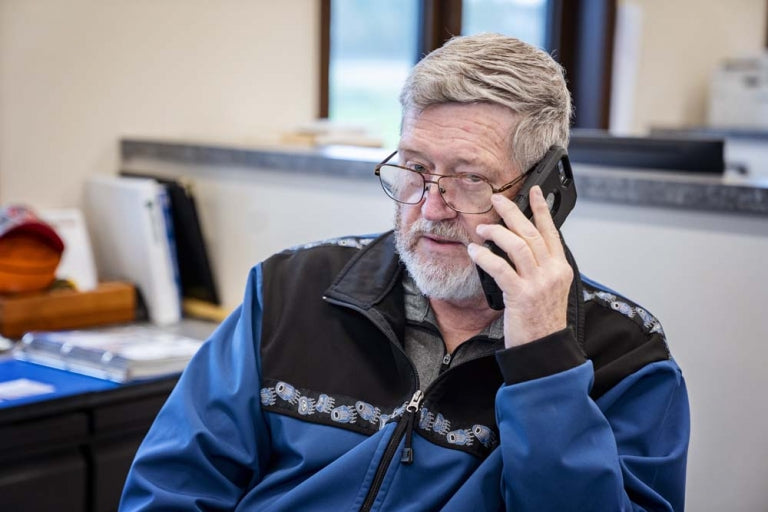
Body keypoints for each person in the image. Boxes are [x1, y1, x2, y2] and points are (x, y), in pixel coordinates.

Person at [119, 33, 689, 511]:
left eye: (470, 179)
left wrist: (543, 364)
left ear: (545, 193)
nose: (431, 207)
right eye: (415, 168)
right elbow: (171, 488)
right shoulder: (289, 290)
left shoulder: (627, 356)